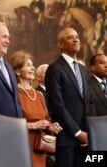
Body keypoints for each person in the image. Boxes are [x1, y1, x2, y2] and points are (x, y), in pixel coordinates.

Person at [45, 27, 95, 167]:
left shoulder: (83, 70)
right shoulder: (54, 69)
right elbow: (57, 105)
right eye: (70, 37)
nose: (76, 39)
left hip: (86, 139)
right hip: (67, 139)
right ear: (60, 44)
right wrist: (77, 132)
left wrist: (89, 131)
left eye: (77, 37)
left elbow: (90, 101)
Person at [8, 51, 62, 167]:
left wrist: (51, 126)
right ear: (17, 71)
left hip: (39, 149)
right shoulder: (12, 94)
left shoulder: (39, 95)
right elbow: (8, 124)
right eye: (28, 65)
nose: (33, 68)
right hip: (21, 147)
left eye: (32, 65)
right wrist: (33, 125)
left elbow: (46, 119)